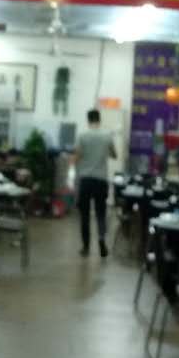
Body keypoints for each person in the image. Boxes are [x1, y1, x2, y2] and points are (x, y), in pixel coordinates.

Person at [71, 109, 116, 257]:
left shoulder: (82, 135)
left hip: (85, 180)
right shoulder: (107, 135)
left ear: (88, 120)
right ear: (99, 119)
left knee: (84, 215)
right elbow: (114, 155)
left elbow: (77, 157)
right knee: (101, 213)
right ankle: (102, 241)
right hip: (101, 180)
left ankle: (86, 247)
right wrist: (104, 151)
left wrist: (73, 167)